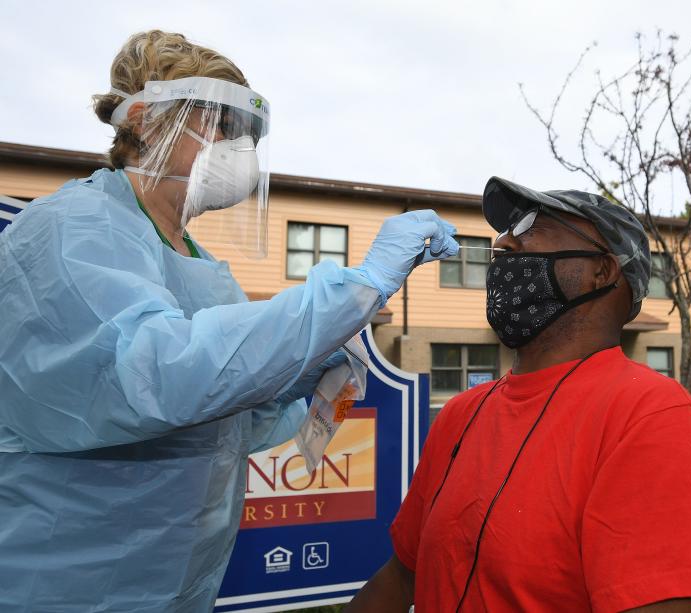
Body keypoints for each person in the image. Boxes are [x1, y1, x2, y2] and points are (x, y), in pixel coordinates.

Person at [0, 31, 459, 612]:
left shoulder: (197, 266)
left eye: (240, 132)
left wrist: (286, 390)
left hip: (175, 587)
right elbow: (153, 376)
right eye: (216, 123)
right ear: (145, 120)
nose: (232, 146)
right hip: (63, 585)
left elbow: (218, 429)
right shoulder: (74, 228)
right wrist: (360, 286)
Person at [348, 177, 691, 612]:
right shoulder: (461, 414)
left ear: (602, 271)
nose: (505, 243)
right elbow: (404, 576)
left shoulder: (651, 421)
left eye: (533, 226)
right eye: (507, 234)